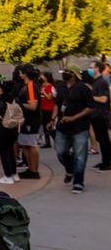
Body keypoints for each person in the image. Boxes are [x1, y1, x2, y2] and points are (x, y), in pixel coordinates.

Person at [51, 64, 94, 193]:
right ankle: (70, 170)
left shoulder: (83, 89)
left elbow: (90, 107)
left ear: (74, 74)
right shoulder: (61, 87)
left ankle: (78, 182)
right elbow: (57, 104)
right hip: (63, 126)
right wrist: (53, 118)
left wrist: (74, 117)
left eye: (67, 72)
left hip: (79, 127)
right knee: (60, 151)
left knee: (80, 156)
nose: (65, 74)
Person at [17, 64, 42, 180]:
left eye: (21, 72)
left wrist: (19, 105)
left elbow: (33, 105)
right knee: (26, 144)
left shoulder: (31, 86)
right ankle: (31, 168)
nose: (19, 74)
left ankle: (34, 170)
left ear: (25, 73)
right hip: (27, 119)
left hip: (31, 120)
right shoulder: (28, 86)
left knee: (31, 144)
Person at [88, 60, 111, 171]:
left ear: (97, 68)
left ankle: (107, 162)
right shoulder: (96, 82)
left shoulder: (101, 82)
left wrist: (90, 97)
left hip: (101, 114)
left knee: (103, 139)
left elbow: (103, 99)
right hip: (96, 114)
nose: (90, 70)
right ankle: (105, 161)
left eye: (92, 67)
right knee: (101, 139)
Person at [39, 71, 56, 148]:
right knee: (44, 124)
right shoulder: (41, 85)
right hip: (42, 107)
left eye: (42, 76)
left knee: (48, 125)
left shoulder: (50, 86)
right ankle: (47, 141)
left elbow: (49, 97)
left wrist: (44, 92)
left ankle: (56, 139)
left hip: (48, 108)